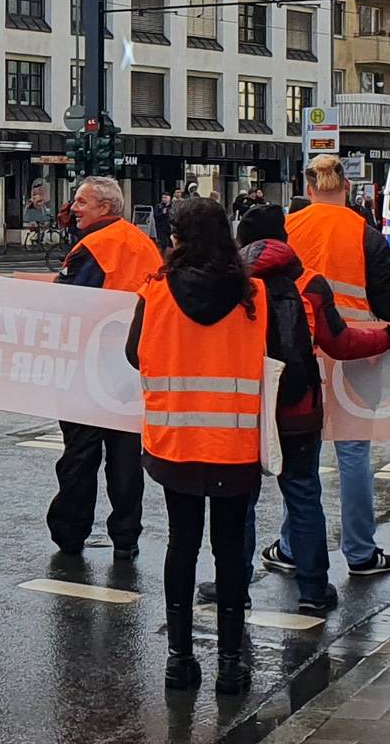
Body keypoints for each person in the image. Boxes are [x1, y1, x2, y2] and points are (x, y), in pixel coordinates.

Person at [195, 203, 390, 619]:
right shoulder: (310, 282)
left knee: (239, 501)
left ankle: (233, 586)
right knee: (304, 495)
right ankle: (313, 589)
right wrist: (389, 337)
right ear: (286, 240)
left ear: (243, 241)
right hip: (299, 409)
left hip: (245, 410)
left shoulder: (228, 283)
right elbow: (340, 344)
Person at [282, 154, 390, 579]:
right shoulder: (365, 234)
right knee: (354, 453)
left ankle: (291, 544)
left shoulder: (288, 229)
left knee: (299, 456)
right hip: (358, 351)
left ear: (308, 188)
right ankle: (360, 552)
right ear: (347, 188)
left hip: (300, 350)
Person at [134, 198, 267, 694]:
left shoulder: (155, 292)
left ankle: (179, 660)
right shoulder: (252, 293)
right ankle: (231, 664)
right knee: (230, 550)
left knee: (181, 545)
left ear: (179, 238)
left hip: (176, 442)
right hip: (234, 443)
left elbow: (134, 353)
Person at [49, 176, 158, 557]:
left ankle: (70, 531)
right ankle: (126, 536)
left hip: (89, 366)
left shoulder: (93, 248)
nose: (73, 207)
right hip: (131, 366)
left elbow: (68, 305)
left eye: (81, 201)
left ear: (105, 208)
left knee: (80, 454)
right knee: (125, 457)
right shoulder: (144, 244)